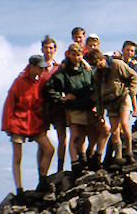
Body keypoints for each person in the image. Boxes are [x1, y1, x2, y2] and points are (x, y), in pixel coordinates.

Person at [45, 43, 108, 176]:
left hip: (88, 106)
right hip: (73, 107)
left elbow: (95, 86)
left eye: (78, 54)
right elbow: (49, 88)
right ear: (68, 54)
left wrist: (95, 101)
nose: (76, 57)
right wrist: (62, 98)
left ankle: (94, 158)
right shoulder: (62, 71)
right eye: (73, 54)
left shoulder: (87, 70)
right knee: (75, 136)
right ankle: (76, 164)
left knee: (102, 131)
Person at [1, 54, 54, 195]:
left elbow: (53, 76)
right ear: (32, 67)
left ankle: (42, 179)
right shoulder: (18, 82)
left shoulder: (41, 81)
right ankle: (19, 190)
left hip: (35, 122)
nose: (43, 70)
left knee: (49, 149)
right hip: (18, 123)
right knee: (18, 157)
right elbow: (9, 104)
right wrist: (6, 126)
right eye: (40, 67)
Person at [89, 49, 137, 165]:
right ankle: (118, 156)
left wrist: (131, 92)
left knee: (124, 123)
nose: (100, 67)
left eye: (100, 64)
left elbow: (134, 77)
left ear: (103, 59)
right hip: (109, 102)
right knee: (114, 130)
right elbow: (97, 93)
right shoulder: (97, 74)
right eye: (96, 66)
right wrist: (100, 111)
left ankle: (129, 152)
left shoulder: (117, 64)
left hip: (123, 98)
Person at [39, 35, 68, 172]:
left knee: (62, 136)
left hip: (58, 105)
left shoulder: (59, 67)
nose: (48, 50)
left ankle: (60, 169)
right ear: (42, 49)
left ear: (55, 50)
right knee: (42, 140)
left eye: (51, 48)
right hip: (42, 107)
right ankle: (42, 173)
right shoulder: (36, 66)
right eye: (46, 47)